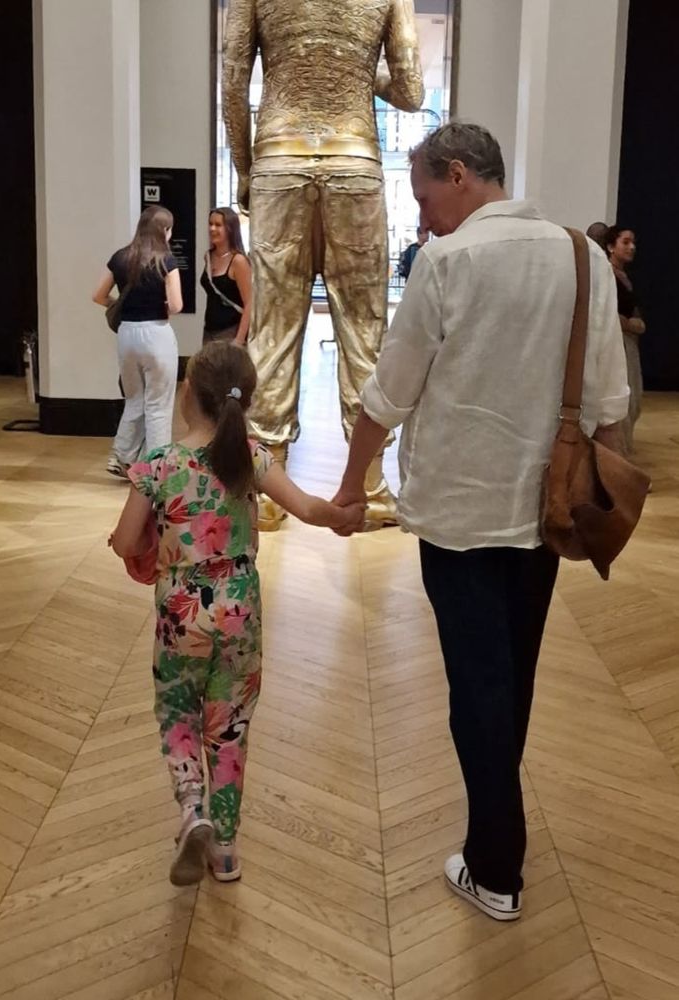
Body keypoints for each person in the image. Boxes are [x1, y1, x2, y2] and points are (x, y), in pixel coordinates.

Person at [333, 123, 629, 921]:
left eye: (425, 195)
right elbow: (607, 402)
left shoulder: (447, 261)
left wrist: (349, 487)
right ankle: (492, 838)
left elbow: (387, 395)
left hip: (460, 515)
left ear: (459, 176)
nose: (421, 216)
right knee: (511, 675)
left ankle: (496, 866)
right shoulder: (582, 257)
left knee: (478, 685)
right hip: (546, 511)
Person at [110, 341, 364, 886]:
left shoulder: (157, 464)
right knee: (229, 728)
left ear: (187, 396)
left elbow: (127, 539)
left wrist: (128, 542)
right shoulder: (250, 455)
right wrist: (345, 512)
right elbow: (309, 509)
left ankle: (191, 808)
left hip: (181, 618)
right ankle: (225, 850)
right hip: (241, 613)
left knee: (178, 713)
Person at [223, 0, 423, 530]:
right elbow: (411, 91)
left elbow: (233, 82)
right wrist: (354, 63)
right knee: (364, 331)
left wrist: (245, 167)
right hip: (355, 161)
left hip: (278, 159)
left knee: (271, 331)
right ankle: (372, 489)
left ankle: (267, 492)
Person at [93, 206, 182, 478]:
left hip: (127, 334)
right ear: (164, 230)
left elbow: (98, 296)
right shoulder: (166, 261)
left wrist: (122, 304)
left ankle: (121, 456)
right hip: (157, 334)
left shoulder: (120, 257)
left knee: (134, 400)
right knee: (158, 403)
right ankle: (157, 468)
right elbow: (177, 305)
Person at [606, 226, 645, 453]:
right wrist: (632, 325)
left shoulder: (622, 276)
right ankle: (619, 461)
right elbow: (612, 313)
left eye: (633, 242)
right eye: (626, 242)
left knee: (633, 400)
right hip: (617, 343)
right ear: (611, 247)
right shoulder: (607, 275)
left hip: (628, 343)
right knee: (624, 400)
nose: (632, 247)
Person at [200, 207, 252, 346]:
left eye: (218, 225)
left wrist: (239, 339)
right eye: (210, 224)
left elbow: (249, 303)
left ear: (230, 228)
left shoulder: (238, 261)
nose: (212, 229)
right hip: (209, 331)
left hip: (231, 332)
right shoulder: (208, 257)